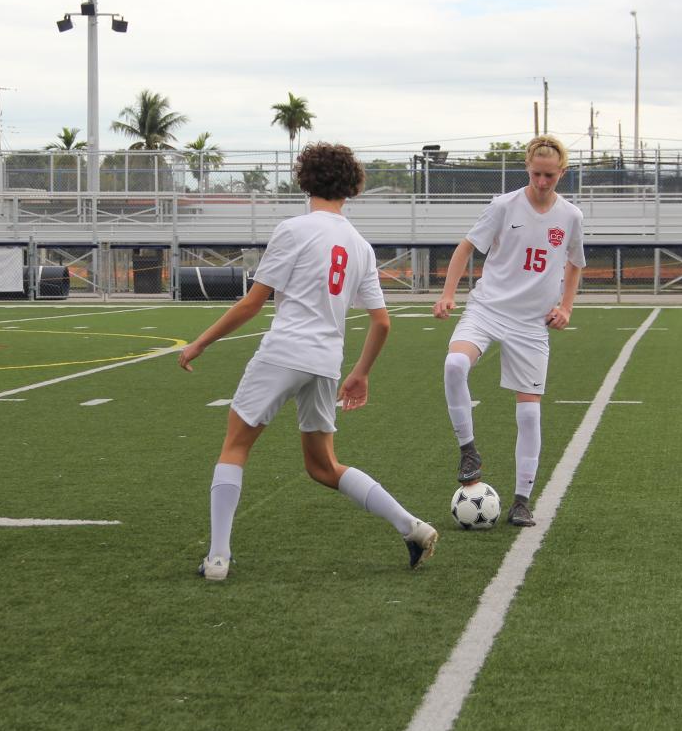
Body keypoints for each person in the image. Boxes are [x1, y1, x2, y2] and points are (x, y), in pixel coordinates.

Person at [178, 142, 437, 581]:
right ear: (352, 187)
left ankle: (218, 558)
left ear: (304, 179)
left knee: (235, 447)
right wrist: (360, 374)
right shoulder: (360, 246)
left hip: (284, 351)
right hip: (326, 361)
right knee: (322, 466)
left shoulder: (294, 229)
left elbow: (253, 303)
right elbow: (382, 322)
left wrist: (200, 342)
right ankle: (412, 526)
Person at [433, 135, 585, 527]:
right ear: (527, 169)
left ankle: (521, 500)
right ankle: (469, 452)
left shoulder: (571, 216)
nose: (542, 182)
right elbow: (465, 247)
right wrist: (448, 294)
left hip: (531, 324)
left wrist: (566, 307)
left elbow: (575, 263)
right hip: (488, 309)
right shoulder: (503, 206)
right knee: (454, 365)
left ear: (562, 173)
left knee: (530, 416)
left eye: (550, 175)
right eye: (536, 173)